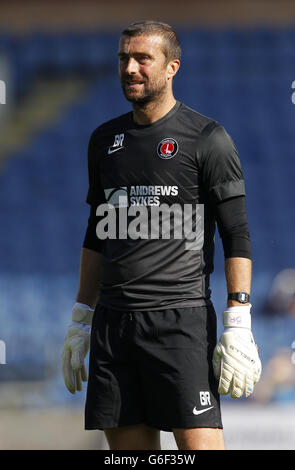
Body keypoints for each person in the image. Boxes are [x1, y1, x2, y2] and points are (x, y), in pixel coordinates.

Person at [62, 21, 261, 451]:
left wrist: (238, 321)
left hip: (180, 323)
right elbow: (97, 235)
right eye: (123, 58)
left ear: (172, 67)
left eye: (141, 59)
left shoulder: (208, 139)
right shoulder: (104, 141)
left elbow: (237, 234)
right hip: (113, 327)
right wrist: (81, 318)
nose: (129, 68)